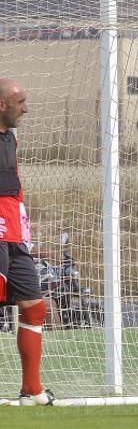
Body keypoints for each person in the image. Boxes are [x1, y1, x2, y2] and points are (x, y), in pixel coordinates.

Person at [0, 79, 53, 406]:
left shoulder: (10, 139)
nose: (26, 108)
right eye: (20, 102)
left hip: (15, 235)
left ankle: (32, 391)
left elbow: (13, 186)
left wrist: (22, 225)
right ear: (2, 105)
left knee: (35, 307)